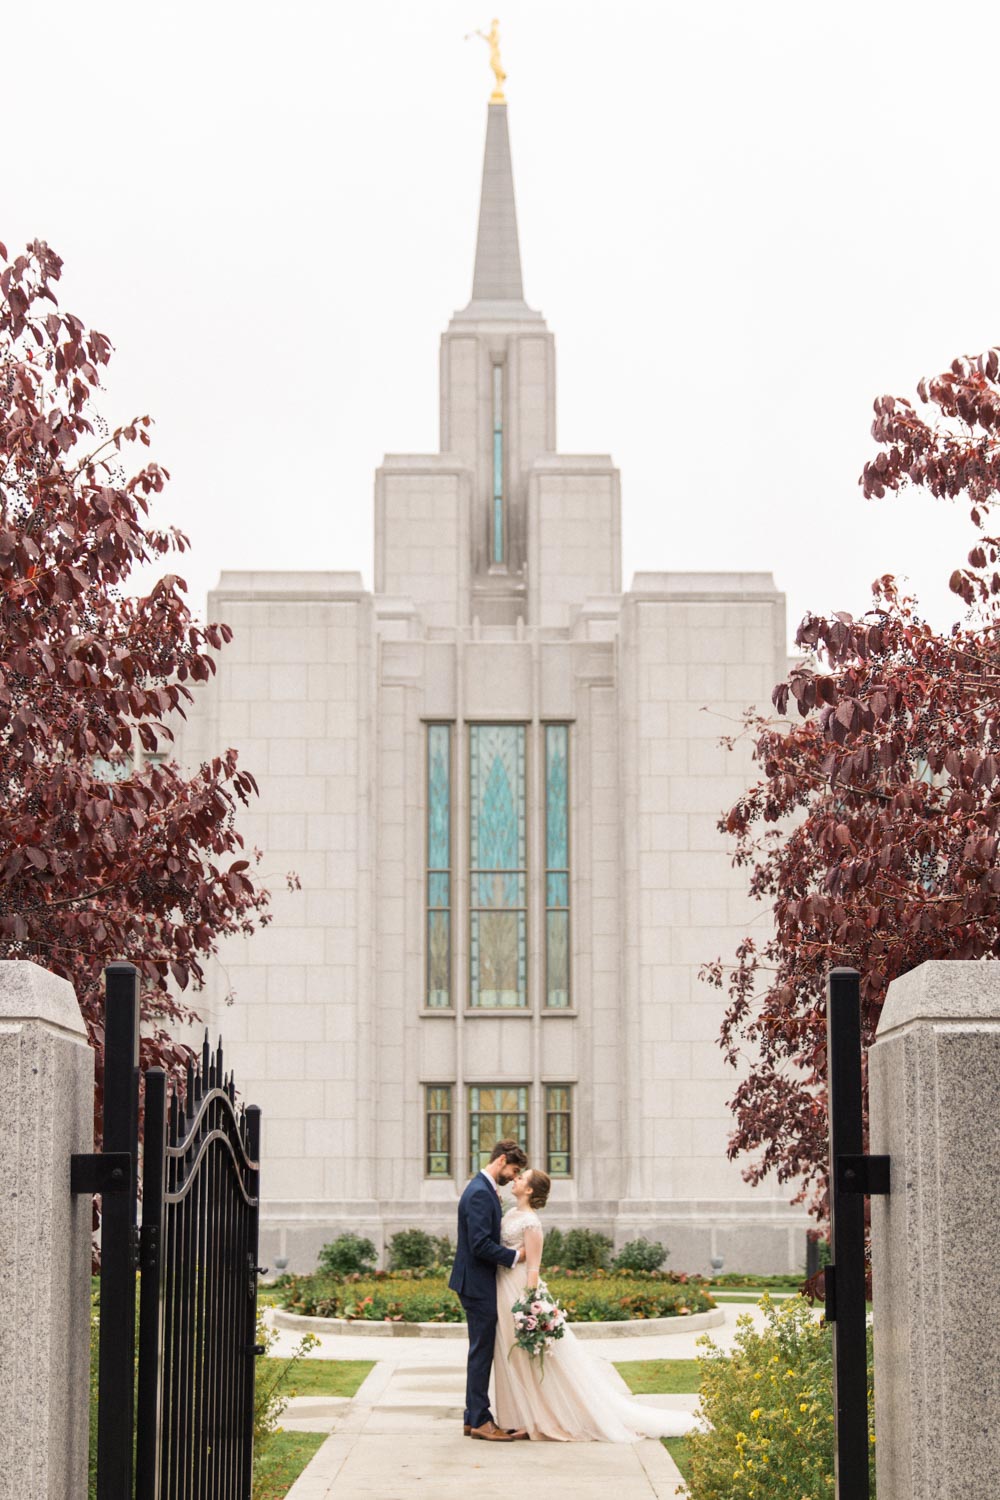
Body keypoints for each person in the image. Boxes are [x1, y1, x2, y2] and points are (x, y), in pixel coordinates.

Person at [493, 1168, 702, 1441]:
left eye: (522, 1178)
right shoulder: (510, 1215)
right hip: (502, 1284)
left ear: (530, 1190)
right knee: (513, 1354)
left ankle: (539, 1417)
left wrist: (530, 1304)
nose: (516, 1179)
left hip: (519, 1290)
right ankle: (522, 1414)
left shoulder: (532, 1223)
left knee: (528, 1354)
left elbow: (534, 1267)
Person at [448, 1139, 530, 1442]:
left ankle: (473, 1417)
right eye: (514, 1169)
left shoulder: (481, 1188)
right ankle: (481, 1420)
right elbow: (480, 1244)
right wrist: (515, 1256)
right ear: (502, 1160)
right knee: (481, 1353)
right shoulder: (481, 1193)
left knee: (479, 1351)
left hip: (475, 1282)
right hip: (477, 1284)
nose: (513, 1176)